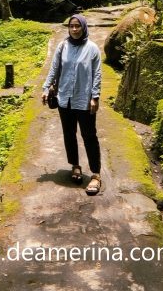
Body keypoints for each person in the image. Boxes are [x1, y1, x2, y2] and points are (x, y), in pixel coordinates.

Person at [42, 13, 103, 195]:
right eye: (72, 26)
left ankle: (96, 174)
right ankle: (75, 166)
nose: (74, 29)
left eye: (78, 26)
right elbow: (54, 69)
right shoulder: (62, 46)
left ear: (84, 27)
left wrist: (95, 97)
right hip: (64, 99)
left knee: (89, 135)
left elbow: (97, 74)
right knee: (69, 134)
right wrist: (46, 88)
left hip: (83, 100)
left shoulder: (92, 48)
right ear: (68, 28)